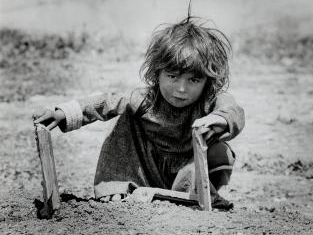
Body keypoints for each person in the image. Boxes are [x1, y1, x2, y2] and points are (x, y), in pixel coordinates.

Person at [33, 15, 245, 210]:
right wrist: (63, 113)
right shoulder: (146, 100)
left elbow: (233, 111)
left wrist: (218, 120)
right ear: (157, 73)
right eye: (172, 76)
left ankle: (202, 198)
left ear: (208, 81)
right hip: (145, 170)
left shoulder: (209, 102)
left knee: (221, 152)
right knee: (126, 118)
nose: (181, 89)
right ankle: (117, 188)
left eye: (193, 80)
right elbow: (106, 102)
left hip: (188, 174)